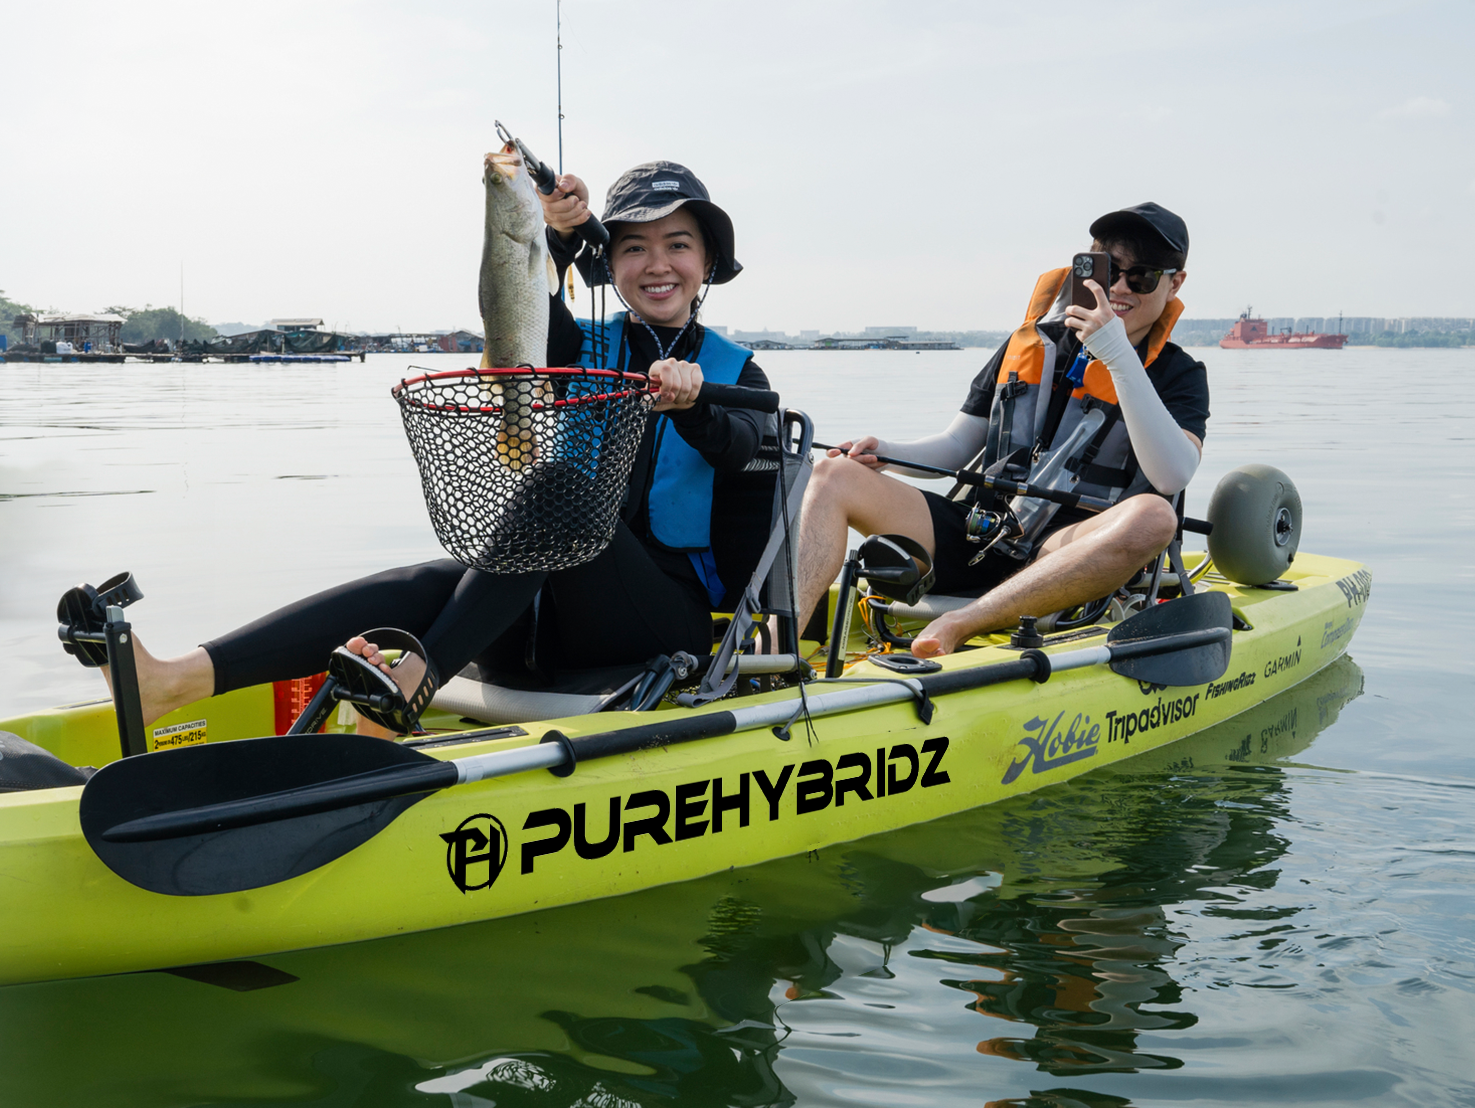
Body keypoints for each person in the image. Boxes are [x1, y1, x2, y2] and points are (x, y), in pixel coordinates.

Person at [83, 158, 773, 735]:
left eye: (677, 244)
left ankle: (413, 683)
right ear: (612, 263)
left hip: (659, 625)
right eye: (633, 247)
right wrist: (554, 233)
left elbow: (746, 452)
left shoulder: (738, 371)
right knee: (434, 580)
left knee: (559, 488)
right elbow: (519, 303)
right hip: (552, 616)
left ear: (707, 259)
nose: (657, 264)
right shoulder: (579, 351)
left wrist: (696, 405)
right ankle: (174, 680)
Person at [796, 202, 1208, 658]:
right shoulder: (1030, 343)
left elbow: (1172, 475)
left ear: (1176, 282)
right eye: (1109, 271)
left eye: (1143, 277)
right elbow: (956, 445)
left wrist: (1118, 355)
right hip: (980, 531)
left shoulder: (1180, 374)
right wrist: (887, 451)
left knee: (1154, 517)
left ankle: (964, 622)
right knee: (831, 475)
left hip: (1064, 554)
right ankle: (777, 649)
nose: (1119, 288)